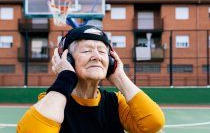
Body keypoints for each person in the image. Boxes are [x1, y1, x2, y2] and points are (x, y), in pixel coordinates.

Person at [17, 25, 165, 133]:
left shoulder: (116, 103)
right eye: (87, 50)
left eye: (102, 51)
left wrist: (119, 76)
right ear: (67, 59)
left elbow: (153, 123)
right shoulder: (54, 102)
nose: (97, 56)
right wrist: (66, 77)